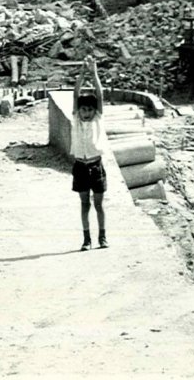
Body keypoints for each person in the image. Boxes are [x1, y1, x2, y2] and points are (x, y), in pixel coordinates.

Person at [71, 65, 108, 251]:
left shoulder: (97, 119)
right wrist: (81, 74)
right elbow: (75, 94)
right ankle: (87, 239)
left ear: (95, 111)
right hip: (80, 167)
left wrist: (94, 74)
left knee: (99, 205)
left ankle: (102, 236)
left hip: (96, 166)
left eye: (89, 110)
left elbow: (99, 96)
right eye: (83, 110)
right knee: (84, 204)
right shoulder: (76, 119)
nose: (86, 113)